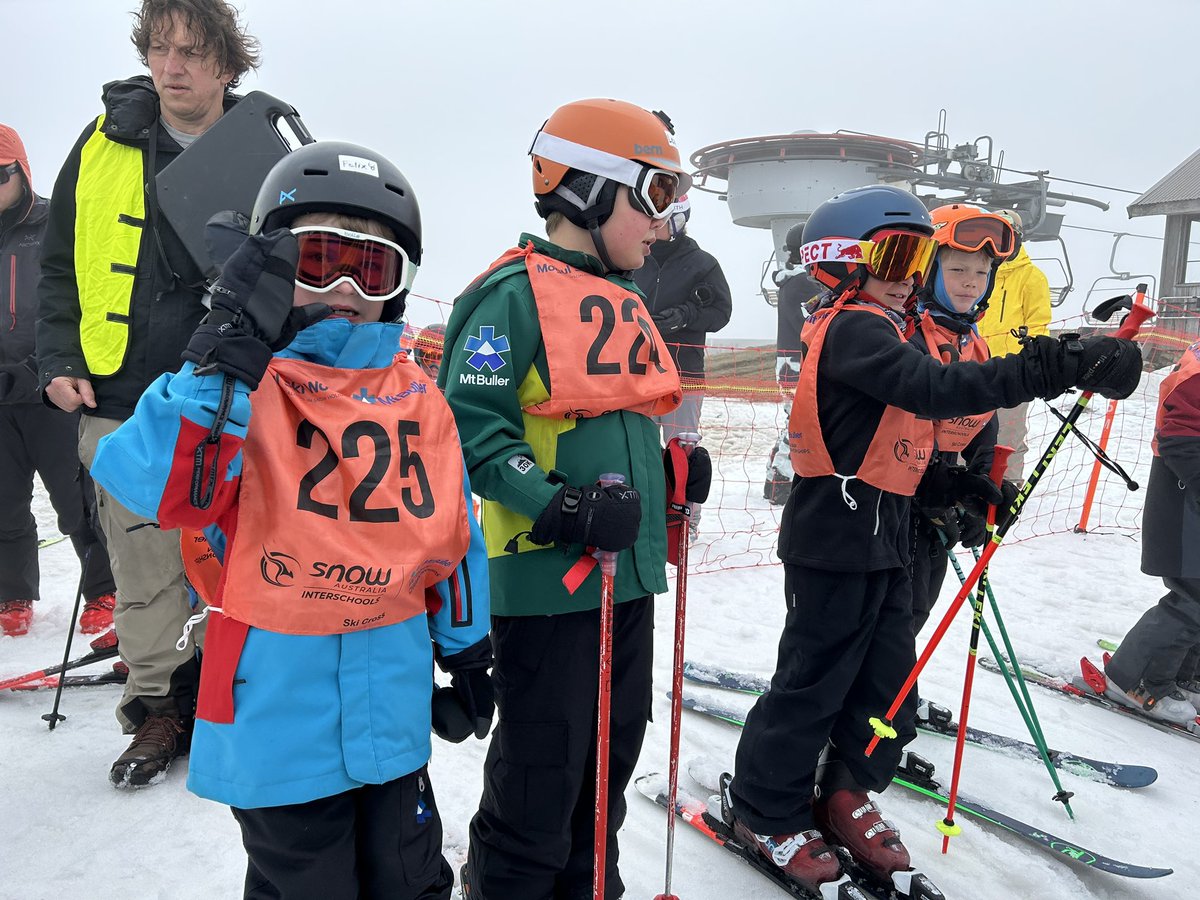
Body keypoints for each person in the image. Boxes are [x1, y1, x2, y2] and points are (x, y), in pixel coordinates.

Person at [90, 140, 492, 898]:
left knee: (411, 879)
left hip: (394, 714)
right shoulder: (241, 390)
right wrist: (224, 357)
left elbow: (454, 533)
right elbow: (153, 484)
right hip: (277, 722)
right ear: (270, 267)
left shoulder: (417, 399)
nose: (345, 287)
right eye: (317, 260)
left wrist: (469, 651)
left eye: (370, 268)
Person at [726, 184, 1143, 893]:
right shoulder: (853, 324)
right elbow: (932, 389)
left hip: (888, 529)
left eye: (916, 256)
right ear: (842, 261)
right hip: (834, 534)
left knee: (887, 683)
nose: (907, 271)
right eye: (892, 253)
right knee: (814, 681)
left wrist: (956, 486)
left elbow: (907, 433)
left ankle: (847, 786)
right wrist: (1061, 363)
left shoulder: (888, 325)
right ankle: (765, 809)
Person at [441, 97, 706, 900]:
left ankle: (593, 885)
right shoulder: (509, 296)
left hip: (623, 579)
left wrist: (670, 475)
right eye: (653, 199)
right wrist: (561, 506)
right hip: (549, 583)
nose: (663, 226)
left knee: (609, 761)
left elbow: (611, 421)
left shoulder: (624, 301)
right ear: (590, 191)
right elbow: (474, 428)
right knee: (541, 776)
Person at [36, 0, 260, 784]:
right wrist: (58, 354)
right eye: (161, 49)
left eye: (193, 53)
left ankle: (237, 691)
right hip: (121, 397)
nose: (173, 67)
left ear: (228, 65)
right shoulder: (100, 144)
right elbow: (57, 263)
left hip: (235, 396)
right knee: (143, 565)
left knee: (243, 554)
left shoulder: (264, 147)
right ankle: (159, 706)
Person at [0, 123, 116, 637]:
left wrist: (45, 367)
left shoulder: (53, 224)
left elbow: (79, 301)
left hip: (51, 389)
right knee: (3, 503)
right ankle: (12, 594)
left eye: (0, 174)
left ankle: (105, 590)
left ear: (22, 170)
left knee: (78, 501)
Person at [906, 204, 1020, 636]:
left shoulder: (973, 342)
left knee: (918, 610)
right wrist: (935, 484)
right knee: (895, 610)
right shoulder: (908, 334)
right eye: (957, 270)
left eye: (982, 272)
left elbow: (982, 423)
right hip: (901, 502)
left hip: (939, 499)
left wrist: (981, 486)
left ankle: (896, 695)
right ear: (929, 271)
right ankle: (874, 698)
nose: (972, 281)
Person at [1103, 338, 1200, 725]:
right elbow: (1180, 437)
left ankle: (1184, 677)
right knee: (1192, 595)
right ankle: (1134, 678)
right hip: (1184, 496)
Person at [631, 192, 731, 537]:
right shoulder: (633, 255)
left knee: (681, 447)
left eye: (661, 218)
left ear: (678, 220)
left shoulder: (703, 263)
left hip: (683, 373)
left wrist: (685, 316)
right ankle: (641, 511)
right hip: (638, 371)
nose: (653, 224)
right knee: (638, 445)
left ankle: (685, 516)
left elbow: (721, 312)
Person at [976, 209, 1052, 482]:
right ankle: (964, 484)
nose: (998, 242)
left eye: (1005, 235)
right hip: (975, 368)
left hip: (1011, 372)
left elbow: (1039, 325)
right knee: (964, 429)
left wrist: (1028, 367)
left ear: (1017, 237)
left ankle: (1008, 486)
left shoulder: (1031, 277)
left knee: (1008, 435)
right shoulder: (981, 271)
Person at [764, 223, 823, 506]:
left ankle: (773, 480)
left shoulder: (792, 281)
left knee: (791, 423)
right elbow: (809, 325)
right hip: (795, 363)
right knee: (796, 425)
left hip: (787, 361)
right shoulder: (803, 284)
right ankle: (780, 483)